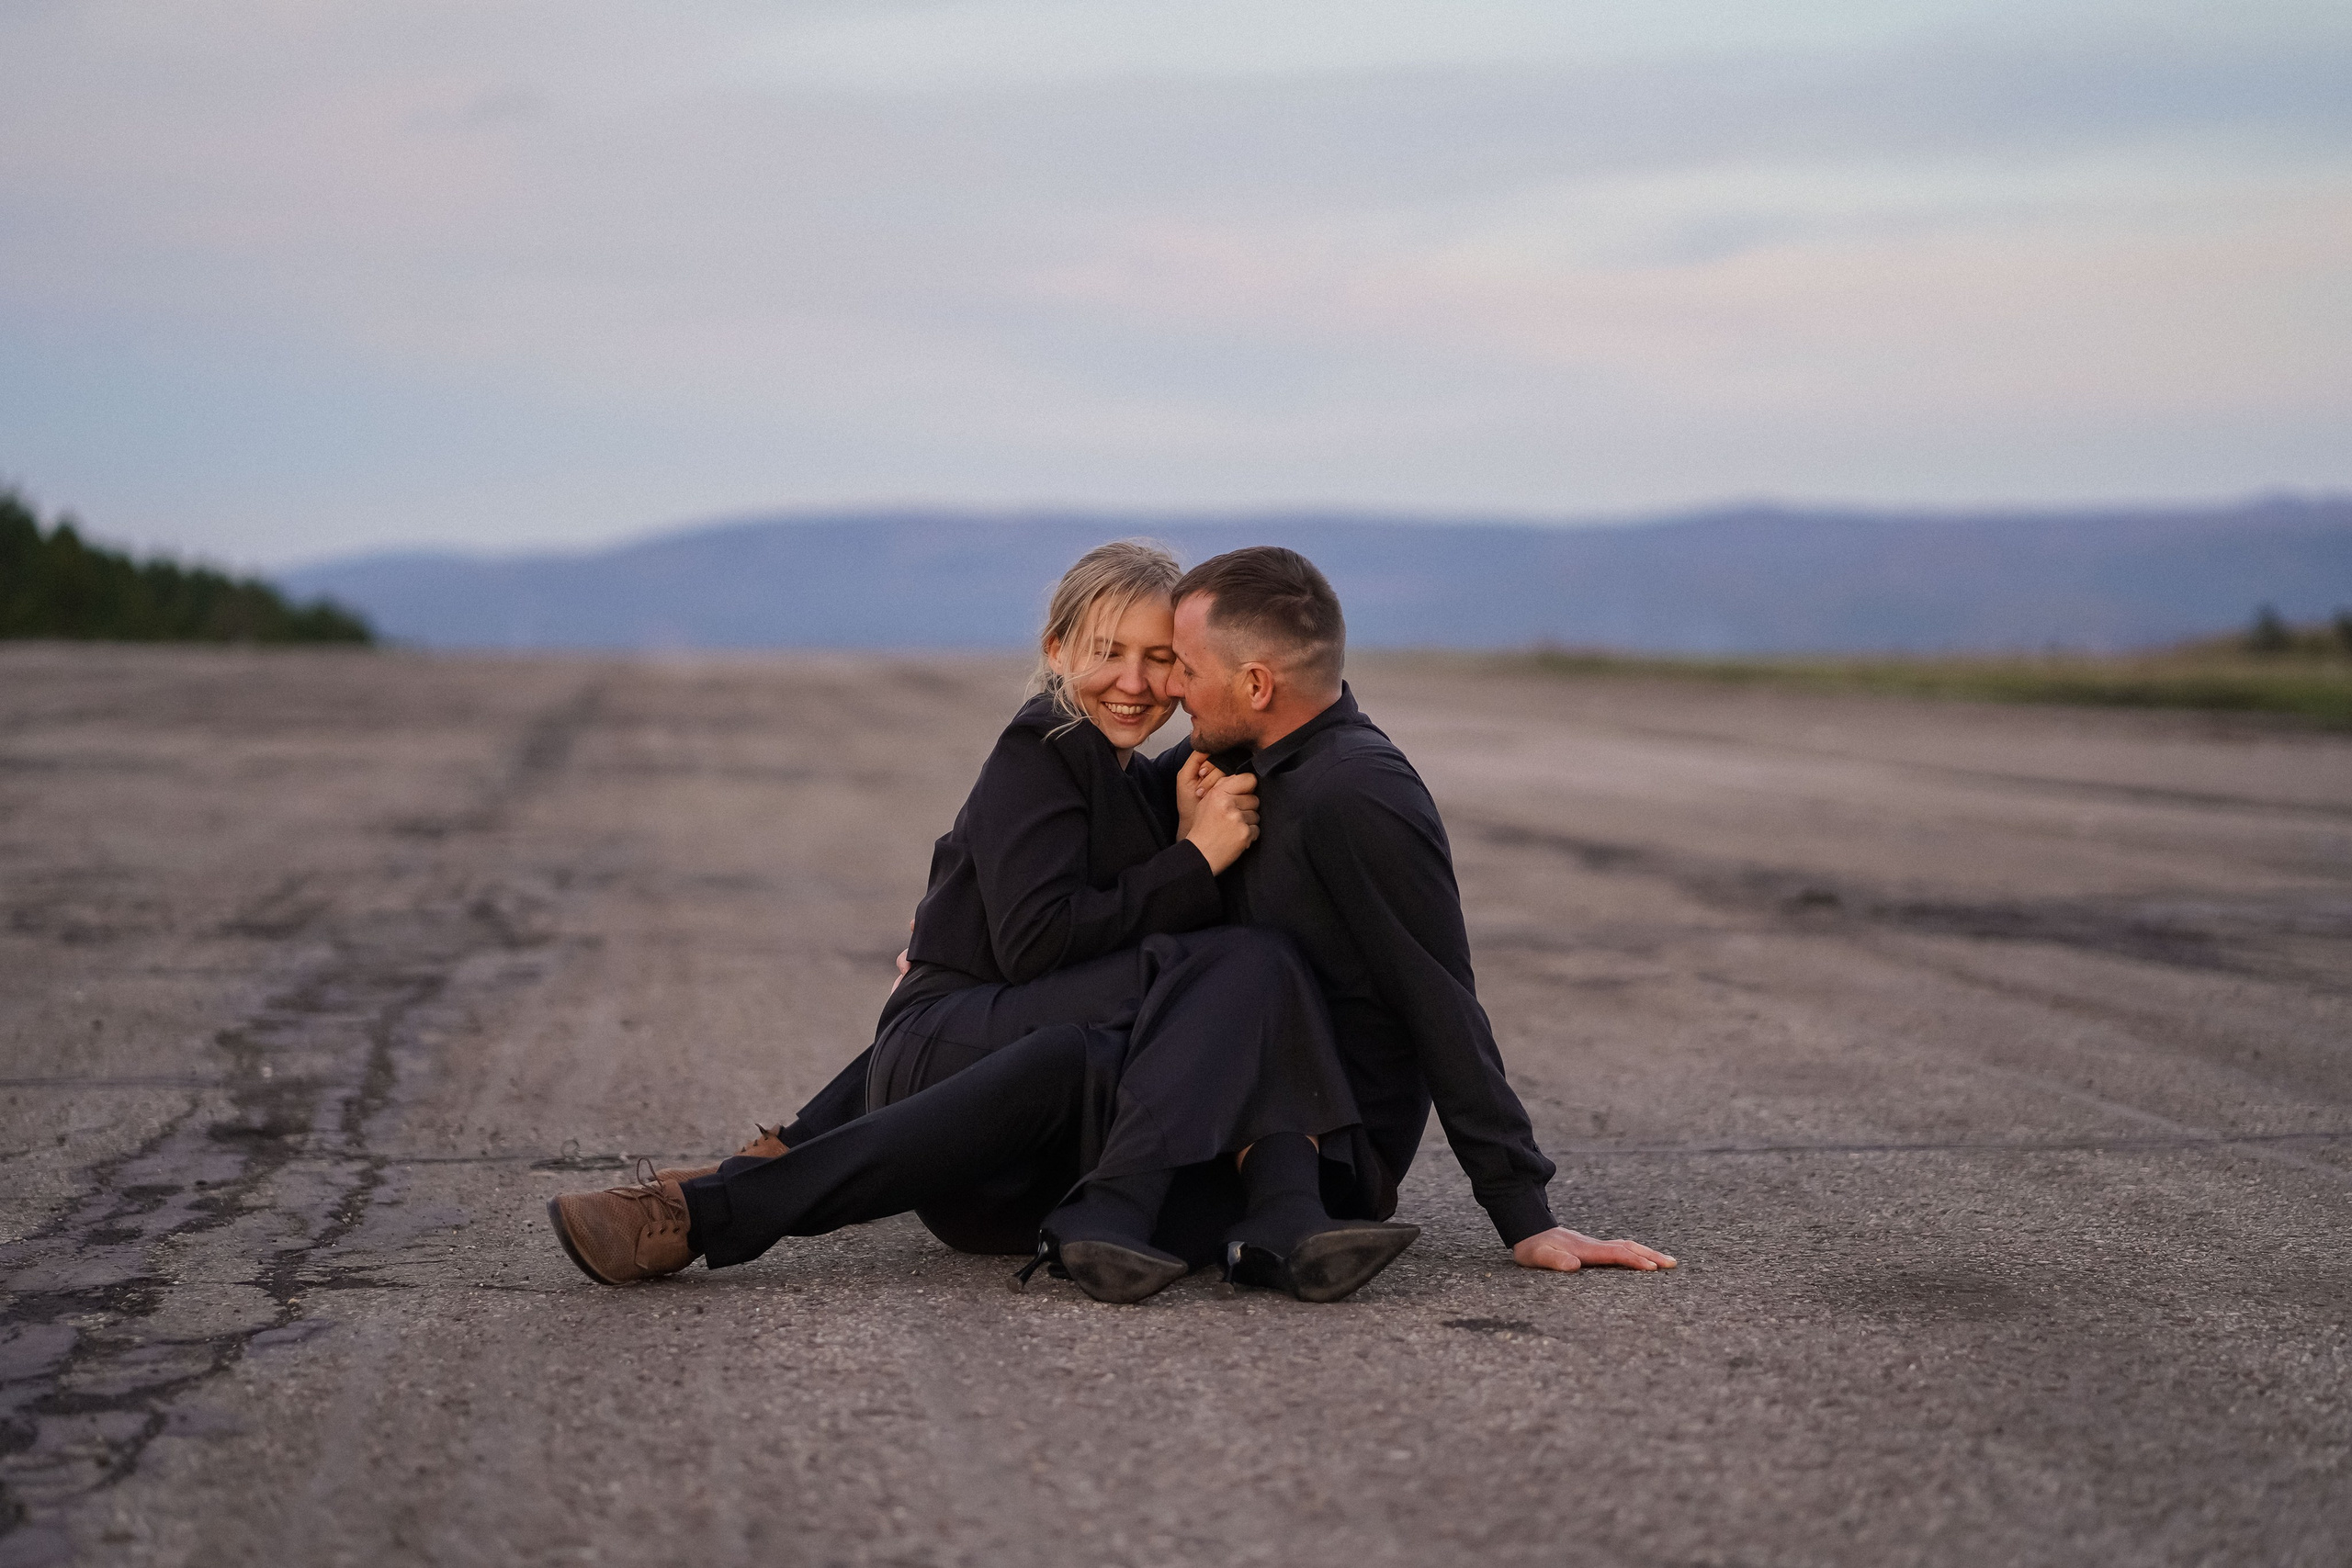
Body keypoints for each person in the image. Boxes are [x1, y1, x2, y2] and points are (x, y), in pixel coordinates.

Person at [545, 541, 1419, 1304]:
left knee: (1130, 1035)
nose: (1137, 681)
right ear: (1055, 649)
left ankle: (1173, 1212)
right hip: (944, 1038)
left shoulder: (1133, 778)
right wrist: (1195, 861)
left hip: (1005, 1108)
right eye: (1106, 651)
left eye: (1163, 659)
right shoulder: (1041, 746)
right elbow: (1039, 943)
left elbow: (1291, 699)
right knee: (1237, 964)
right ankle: (708, 1213)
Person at [1158, 547, 1676, 1276]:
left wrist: (1523, 1212)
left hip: (1320, 1155)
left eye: (1186, 667)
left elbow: (1438, 997)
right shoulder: (1242, 762)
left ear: (1256, 683)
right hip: (1225, 1109)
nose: (1171, 687)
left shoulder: (1356, 795)